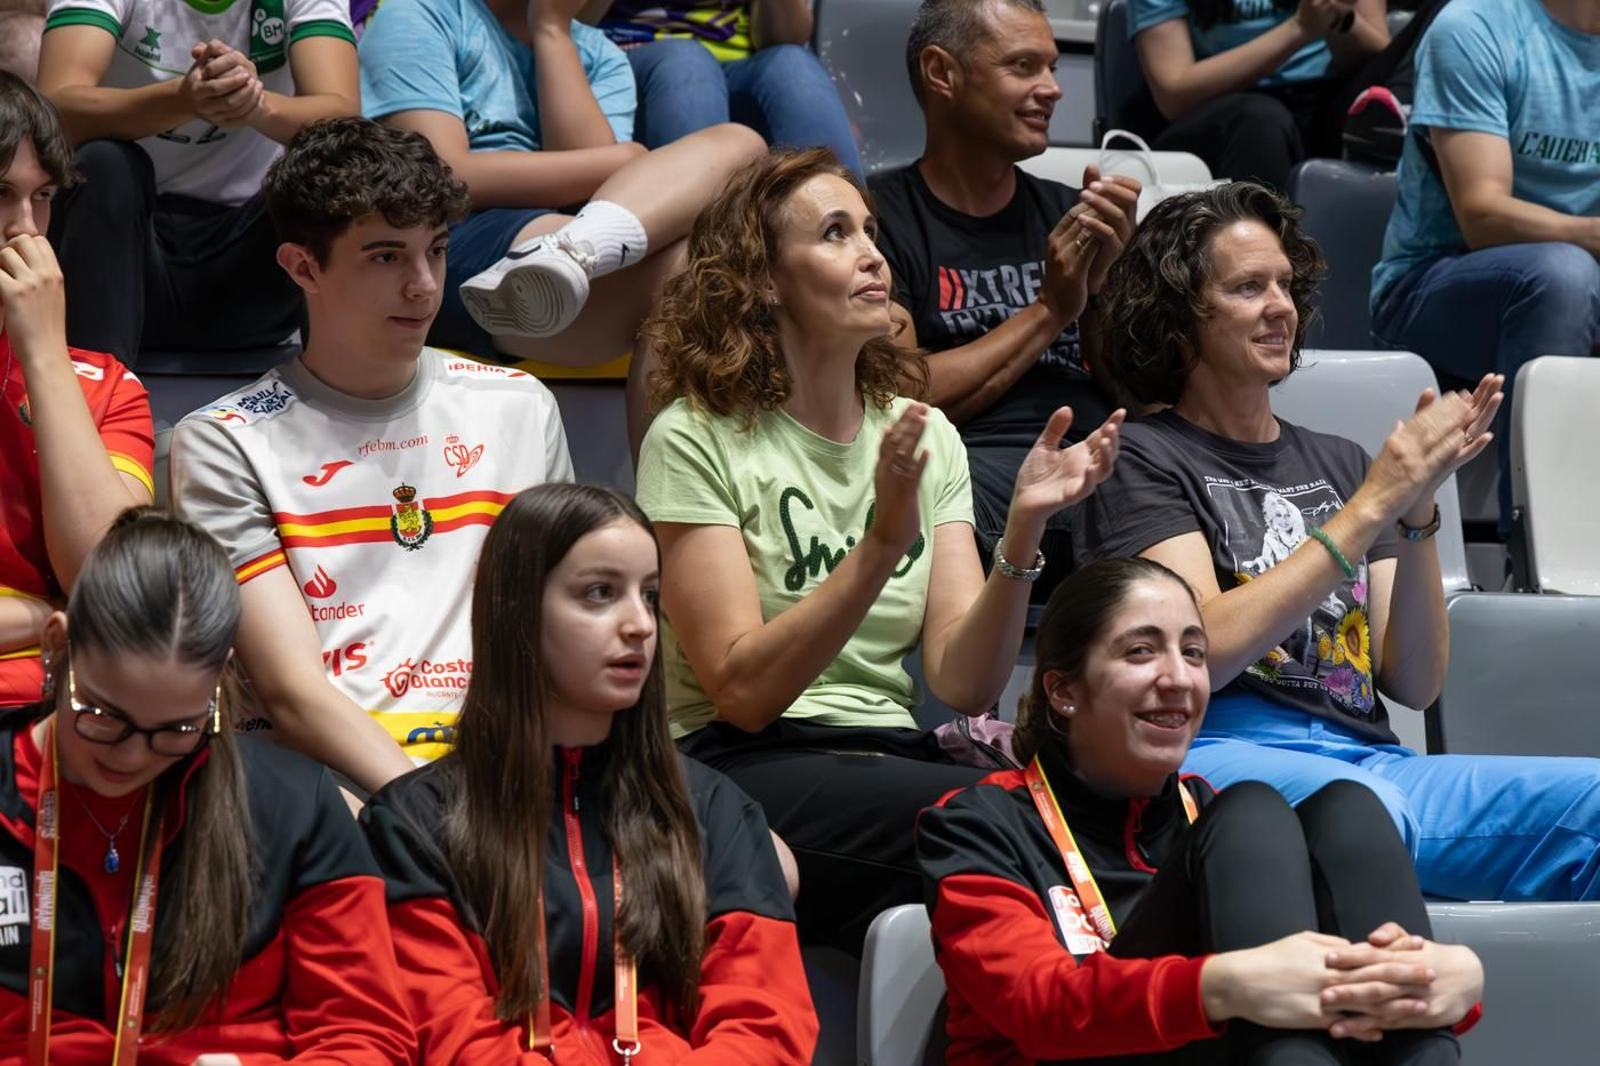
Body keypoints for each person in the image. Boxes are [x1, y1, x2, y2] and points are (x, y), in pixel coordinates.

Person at [634, 147, 1124, 951]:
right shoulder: (694, 436)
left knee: (1090, 811)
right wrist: (880, 547)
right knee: (1016, 824)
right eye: (833, 234)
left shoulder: (926, 434)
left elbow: (964, 682)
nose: (871, 253)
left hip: (890, 751)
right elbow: (741, 691)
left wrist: (1025, 529)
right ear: (763, 279)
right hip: (737, 767)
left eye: (869, 231)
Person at [1081, 180, 1600, 902]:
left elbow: (1414, 682)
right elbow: (1201, 643)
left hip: (1373, 759)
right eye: (1247, 287)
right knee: (1362, 816)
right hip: (1224, 755)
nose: (1280, 308)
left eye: (1286, 285)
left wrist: (1416, 512)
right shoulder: (1142, 457)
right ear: (1178, 317)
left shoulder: (1341, 462)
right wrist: (1373, 504)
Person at [918, 556, 1484, 1064]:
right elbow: (1036, 1009)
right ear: (1064, 691)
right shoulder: (978, 823)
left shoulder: (1209, 816)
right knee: (1253, 812)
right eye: (1141, 651)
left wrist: (1454, 982)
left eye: (1192, 652)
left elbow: (1344, 984)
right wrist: (1221, 986)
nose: (1178, 679)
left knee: (1349, 808)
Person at [169, 118, 573, 793]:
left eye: (437, 250)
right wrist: (427, 814)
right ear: (303, 267)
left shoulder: (520, 406)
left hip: (509, 775)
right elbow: (292, 694)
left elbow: (560, 633)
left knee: (767, 867)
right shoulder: (225, 440)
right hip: (333, 786)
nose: (423, 286)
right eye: (387, 256)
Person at [361, 482, 817, 1062]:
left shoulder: (713, 811)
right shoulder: (414, 825)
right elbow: (447, 1037)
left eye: (649, 595)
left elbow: (765, 1029)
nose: (640, 625)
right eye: (600, 593)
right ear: (518, 610)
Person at [0, 508, 415, 1062]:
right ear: (58, 645)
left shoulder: (296, 806)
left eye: (176, 729)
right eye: (101, 714)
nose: (131, 755)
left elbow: (368, 1036)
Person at [357, 0, 765, 444]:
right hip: (452, 239)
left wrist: (553, 30)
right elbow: (443, 178)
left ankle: (569, 253)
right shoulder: (421, 13)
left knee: (741, 146)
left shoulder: (598, 53)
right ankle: (673, 508)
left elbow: (593, 192)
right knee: (694, 264)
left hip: (571, 255)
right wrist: (622, 160)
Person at [874, 0, 1140, 595]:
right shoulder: (876, 220)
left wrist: (1109, 288)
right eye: (1023, 67)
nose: (1052, 88)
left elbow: (1142, 399)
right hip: (974, 469)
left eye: (1051, 67)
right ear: (941, 73)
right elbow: (900, 397)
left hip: (1104, 452)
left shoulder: (1074, 212)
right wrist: (1049, 311)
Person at [1370, 0, 1599, 531]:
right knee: (1564, 277)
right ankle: (1541, 552)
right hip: (1430, 286)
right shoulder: (1475, 26)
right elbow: (1483, 214)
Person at [34, 0, 357, 367]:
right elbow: (54, 110)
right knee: (103, 163)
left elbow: (345, 122)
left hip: (250, 263)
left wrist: (254, 104)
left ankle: (339, 398)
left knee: (331, 168)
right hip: (122, 250)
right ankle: (94, 394)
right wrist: (183, 100)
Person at [0, 71, 153, 708]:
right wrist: (49, 617)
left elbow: (110, 587)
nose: (25, 230)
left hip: (64, 723)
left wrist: (43, 353)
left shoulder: (110, 386)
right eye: (0, 194)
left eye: (42, 197)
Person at [1126, 0, 1399, 190]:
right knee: (1262, 121)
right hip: (1229, 108)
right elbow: (1174, 94)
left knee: (1438, 19)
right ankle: (1273, 267)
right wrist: (1299, 29)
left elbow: (1381, 58)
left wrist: (1338, 17)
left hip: (1329, 97)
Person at [589, 0, 863, 175]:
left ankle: (854, 245)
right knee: (687, 64)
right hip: (623, 61)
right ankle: (709, 256)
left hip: (741, 66)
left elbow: (785, 37)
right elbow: (562, 21)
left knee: (794, 66)